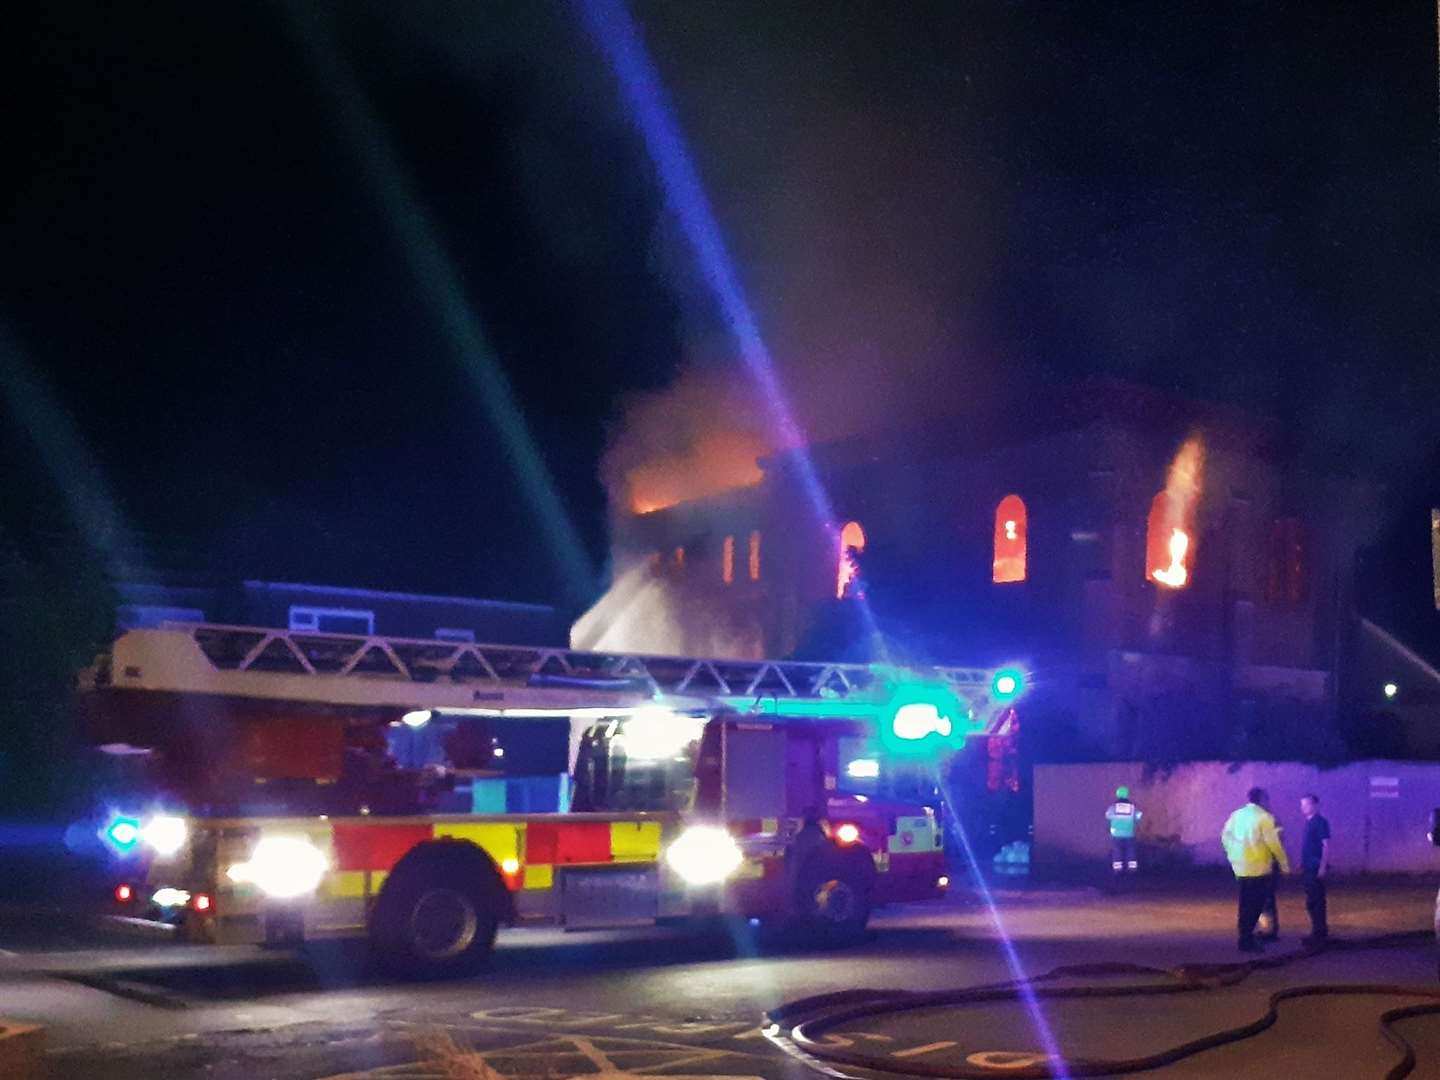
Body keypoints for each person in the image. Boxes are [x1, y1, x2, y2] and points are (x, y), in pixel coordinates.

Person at [1222, 786, 1290, 953]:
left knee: (1244, 903)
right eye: (1266, 798)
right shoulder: (1264, 817)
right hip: (1259, 868)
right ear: (1262, 799)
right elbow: (1274, 843)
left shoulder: (1236, 815)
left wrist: (1232, 855)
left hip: (1241, 868)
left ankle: (1244, 936)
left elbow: (1225, 836)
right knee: (1256, 904)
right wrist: (1284, 864)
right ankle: (1248, 939)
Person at [1300, 793, 1331, 945]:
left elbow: (1326, 845)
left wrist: (1322, 867)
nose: (1303, 808)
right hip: (1309, 867)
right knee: (1312, 901)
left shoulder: (1320, 822)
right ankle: (1317, 931)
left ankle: (1319, 933)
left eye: (1306, 805)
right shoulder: (1309, 822)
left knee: (1316, 901)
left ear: (1315, 805)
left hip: (1315, 868)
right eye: (1302, 805)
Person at [1105, 786, 1142, 875]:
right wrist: (1135, 824)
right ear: (1127, 795)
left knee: (1117, 850)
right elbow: (1139, 816)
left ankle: (1118, 870)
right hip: (1129, 833)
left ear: (1117, 795)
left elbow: (1108, 816)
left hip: (1116, 833)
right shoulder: (1132, 807)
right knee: (1130, 850)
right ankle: (1132, 869)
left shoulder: (1113, 807)